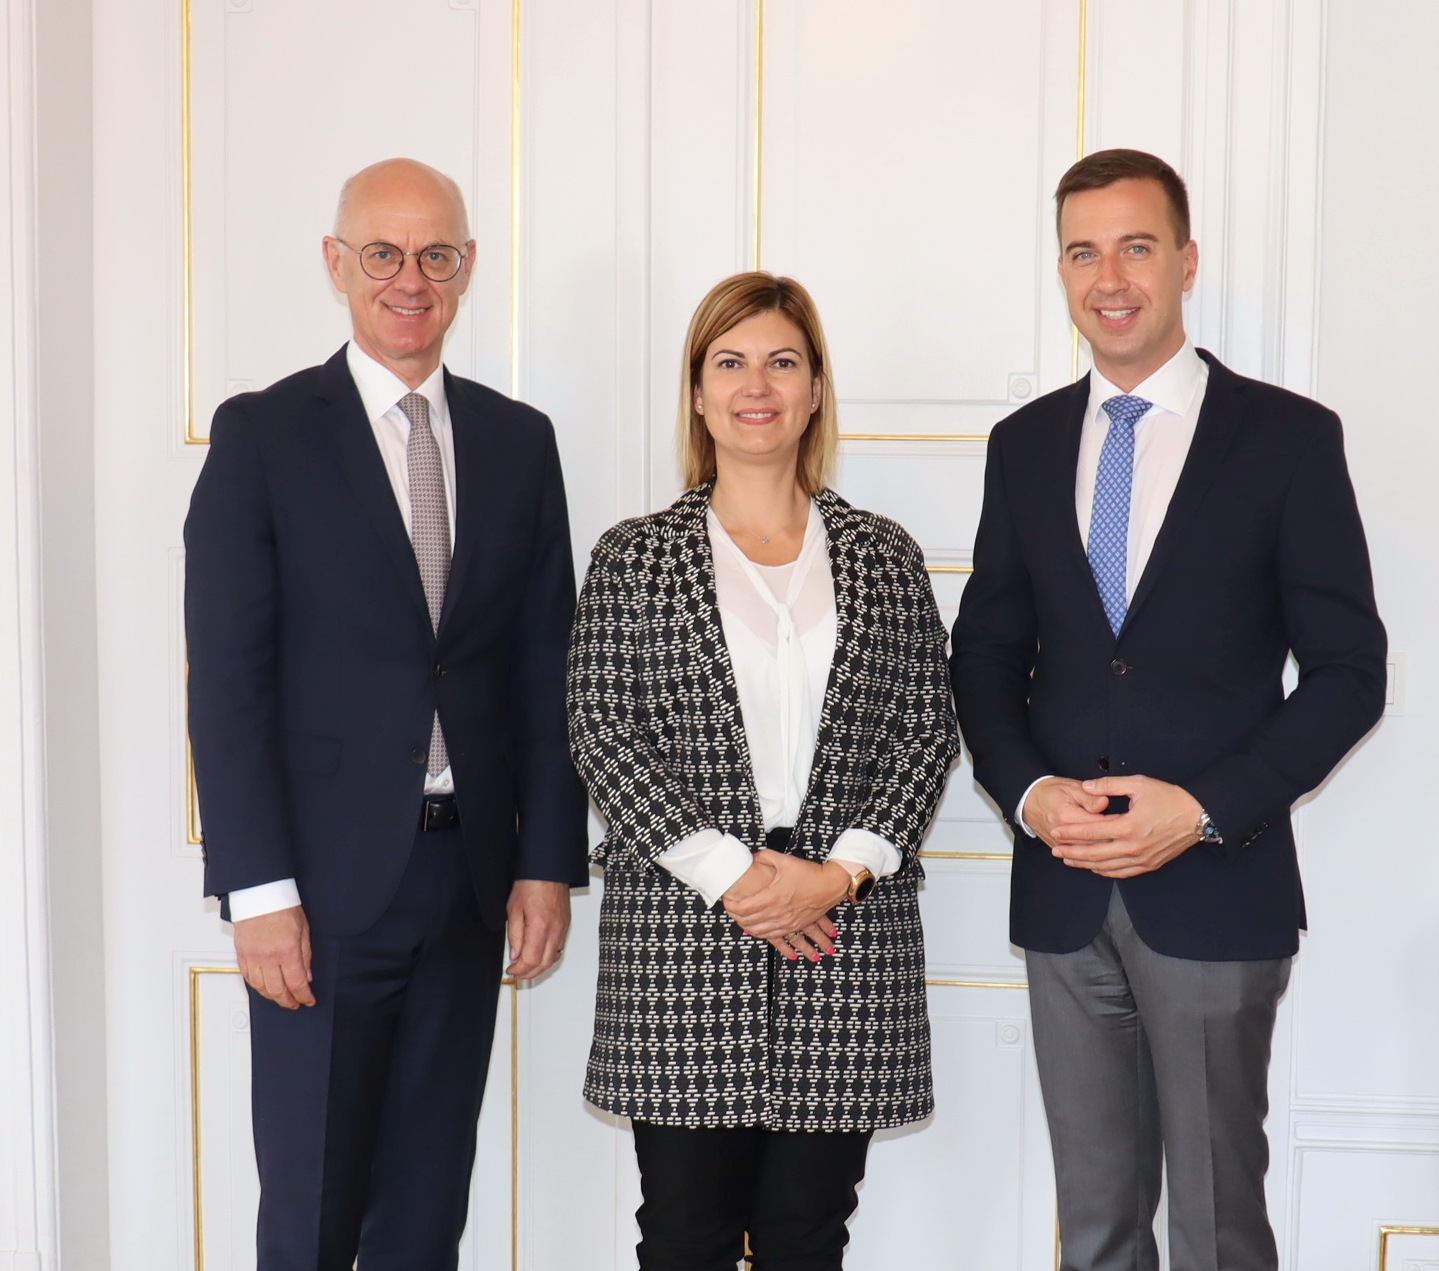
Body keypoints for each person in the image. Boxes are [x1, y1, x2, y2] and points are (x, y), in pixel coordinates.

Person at [950, 148, 1386, 1271]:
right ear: (1059, 270)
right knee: (1092, 1232)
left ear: (1184, 261)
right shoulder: (1023, 444)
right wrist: (1033, 794)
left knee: (1214, 1229)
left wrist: (1197, 808)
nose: (1109, 275)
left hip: (1213, 892)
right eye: (1082, 250)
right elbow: (986, 653)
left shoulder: (1285, 438)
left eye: (1135, 245)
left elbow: (1347, 668)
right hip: (1060, 891)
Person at [184, 157, 587, 1271]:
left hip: (466, 884)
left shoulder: (518, 440)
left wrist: (544, 862)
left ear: (465, 269)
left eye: (436, 256)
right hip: (316, 894)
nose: (411, 280)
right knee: (312, 1210)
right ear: (337, 263)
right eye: (384, 254)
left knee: (425, 1213)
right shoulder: (263, 434)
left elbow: (542, 664)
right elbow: (227, 678)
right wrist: (258, 890)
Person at [567, 271, 959, 1271]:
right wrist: (732, 875)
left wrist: (836, 872)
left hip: (844, 938)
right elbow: (601, 728)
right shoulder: (634, 558)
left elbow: (925, 731)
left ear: (816, 388)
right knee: (686, 1237)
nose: (757, 384)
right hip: (683, 942)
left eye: (782, 360)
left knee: (804, 1237)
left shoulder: (882, 556)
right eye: (729, 361)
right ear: (696, 393)